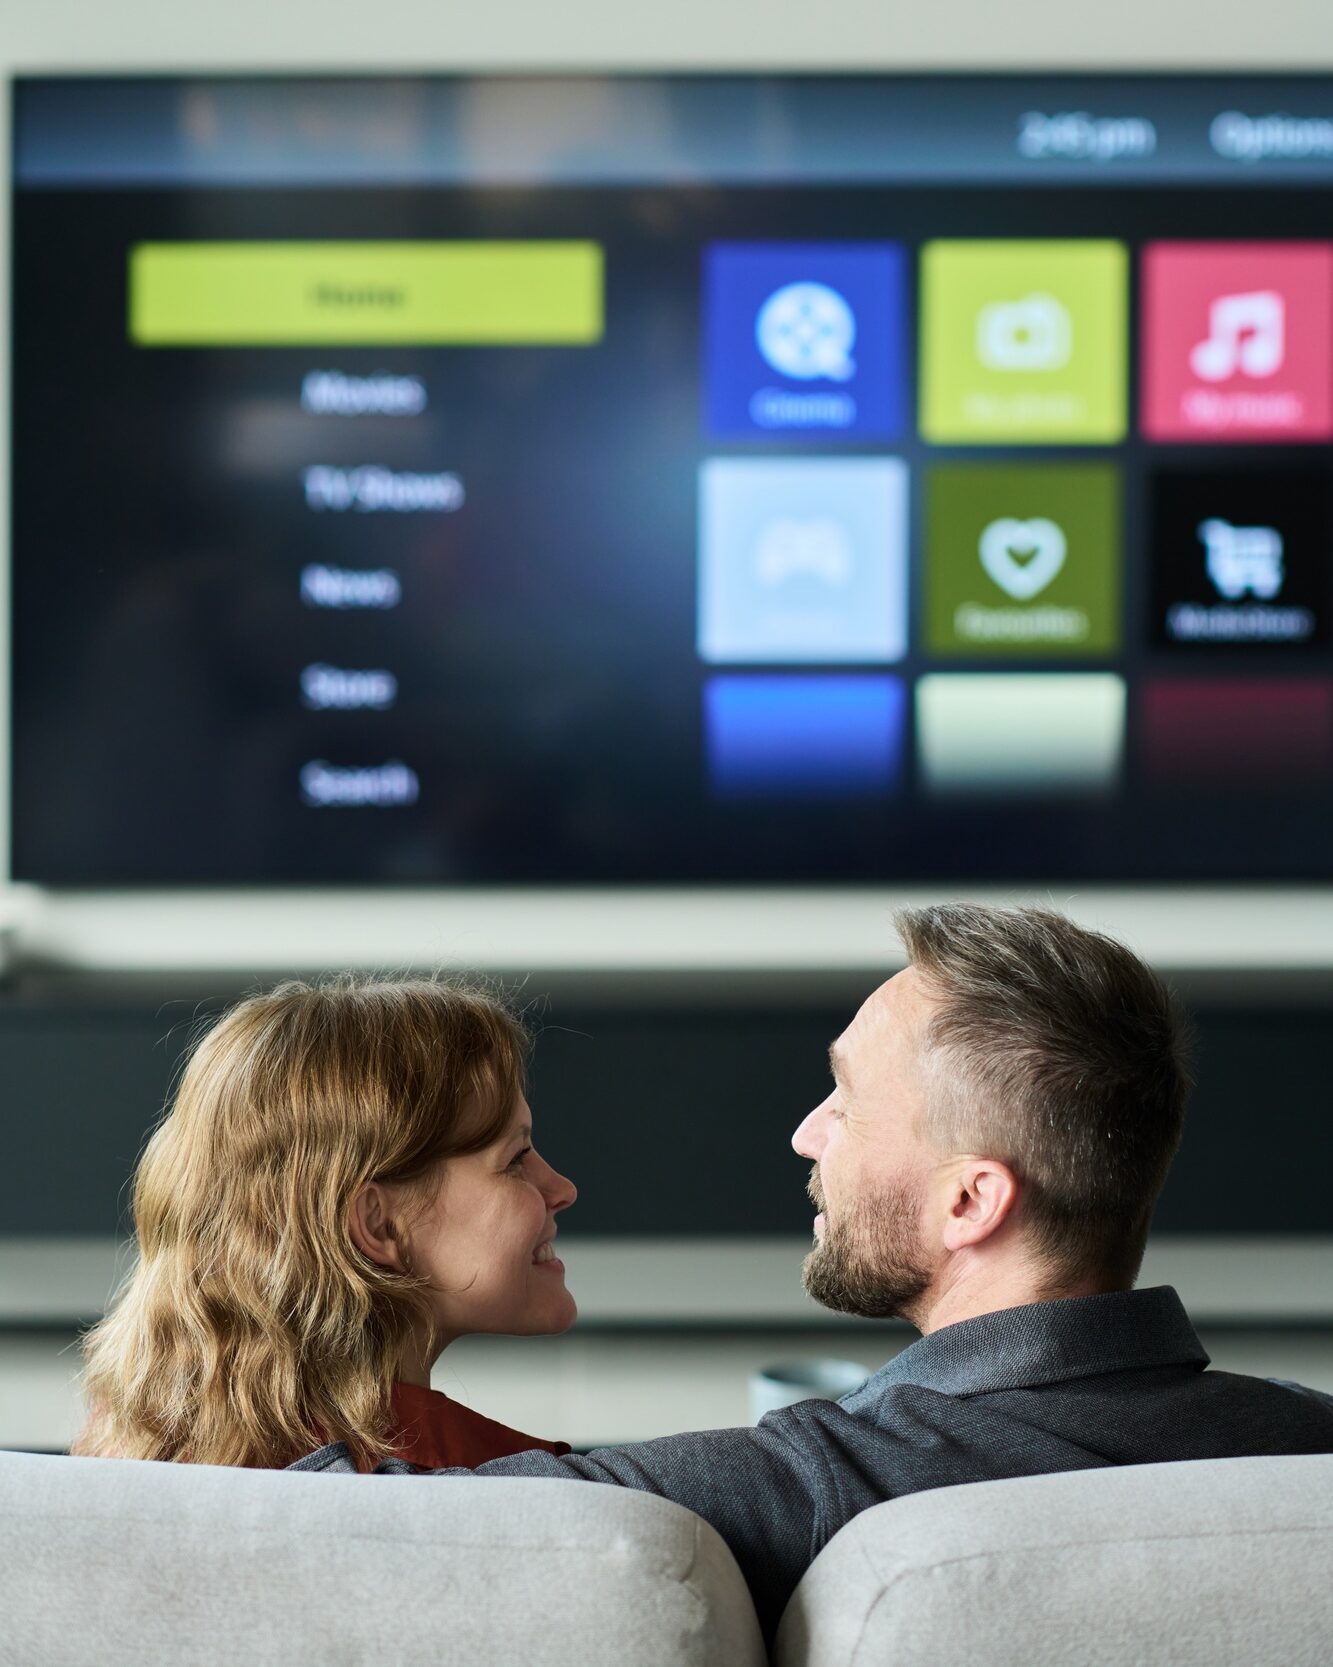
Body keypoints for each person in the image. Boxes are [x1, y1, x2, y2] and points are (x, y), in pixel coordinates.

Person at [290, 905, 1333, 1640]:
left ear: (969, 1199)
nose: (804, 1133)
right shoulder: (1304, 1441)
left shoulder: (807, 1488)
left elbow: (331, 1538)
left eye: (845, 1098)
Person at [74, 975, 577, 1471]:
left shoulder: (124, 1454)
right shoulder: (493, 1489)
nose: (562, 1190)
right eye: (516, 1158)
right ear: (379, 1226)